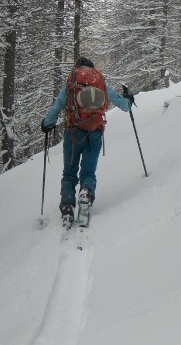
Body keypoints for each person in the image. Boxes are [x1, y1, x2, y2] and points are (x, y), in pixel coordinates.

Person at [41, 57, 134, 224]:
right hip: (95, 132)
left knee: (69, 173)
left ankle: (67, 206)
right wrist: (129, 100)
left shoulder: (71, 83)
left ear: (77, 68)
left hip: (73, 132)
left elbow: (57, 106)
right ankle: (86, 193)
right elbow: (124, 105)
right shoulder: (99, 82)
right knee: (88, 172)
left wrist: (47, 124)